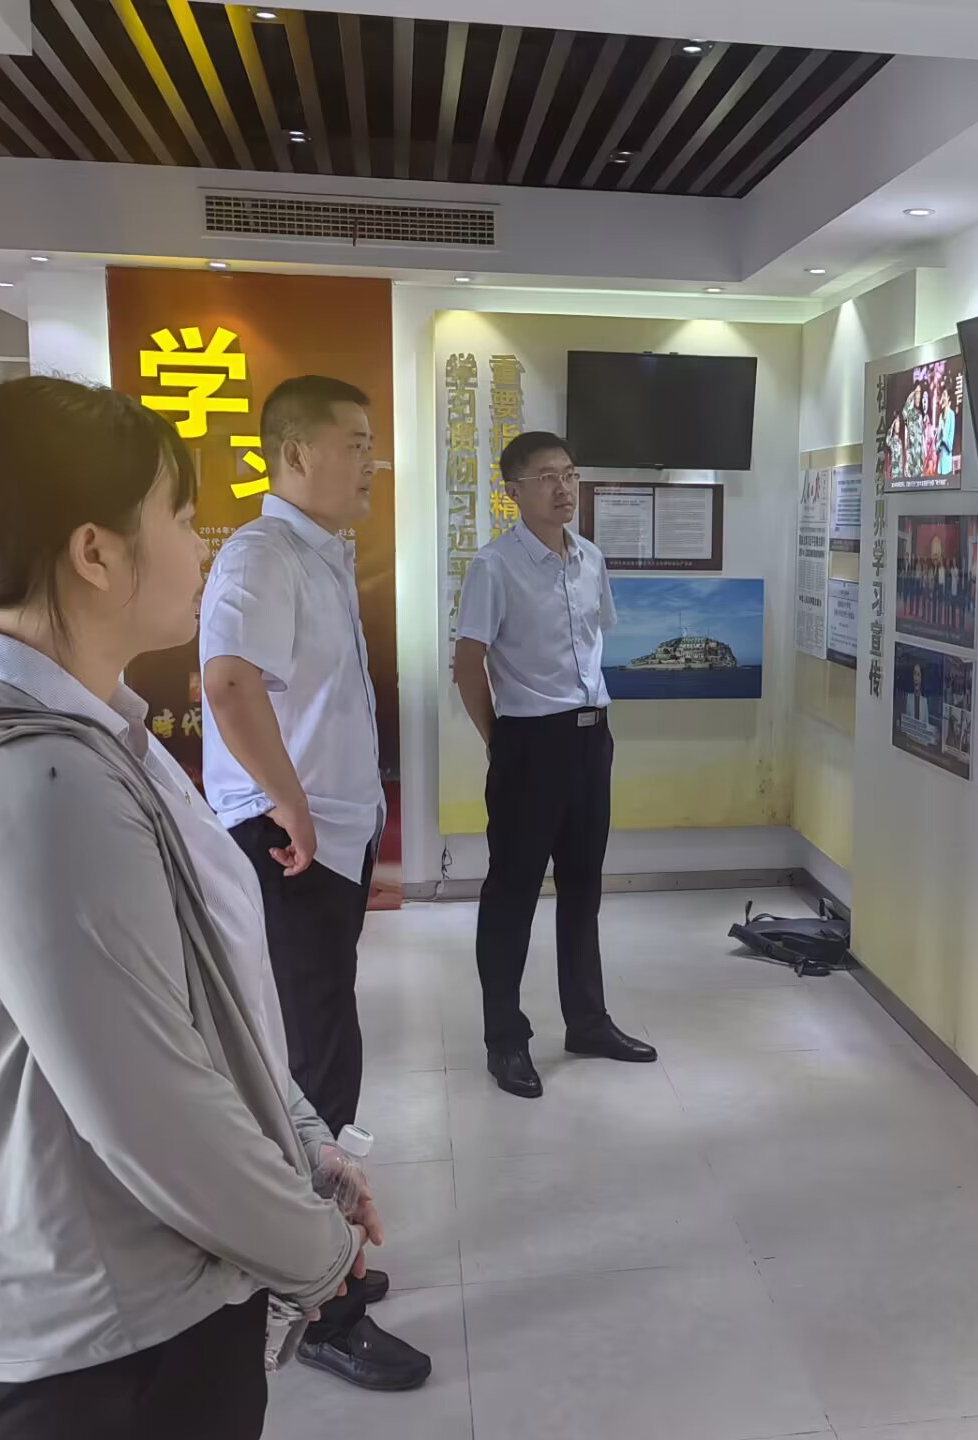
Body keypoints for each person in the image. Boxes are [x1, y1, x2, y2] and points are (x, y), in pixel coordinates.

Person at [0, 378, 374, 1438]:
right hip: (106, 1345)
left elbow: (201, 1001)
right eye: (179, 517)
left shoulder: (89, 738)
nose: (199, 547)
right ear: (95, 554)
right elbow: (154, 1113)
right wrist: (320, 1251)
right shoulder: (37, 789)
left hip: (136, 1305)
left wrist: (306, 1145)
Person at [201, 375, 429, 1391]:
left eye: (373, 443)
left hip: (324, 840)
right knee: (313, 1071)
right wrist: (291, 802)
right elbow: (228, 682)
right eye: (355, 443)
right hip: (285, 846)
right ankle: (320, 1304)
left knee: (322, 1055)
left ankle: (324, 1265)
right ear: (293, 453)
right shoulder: (261, 554)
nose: (371, 461)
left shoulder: (319, 554)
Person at [454, 431, 656, 1100]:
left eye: (569, 474)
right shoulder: (494, 566)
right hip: (528, 743)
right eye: (546, 477)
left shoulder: (590, 558)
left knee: (583, 888)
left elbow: (593, 644)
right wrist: (501, 741)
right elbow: (468, 664)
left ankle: (587, 1021)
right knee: (512, 896)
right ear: (514, 491)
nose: (563, 488)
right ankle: (505, 1040)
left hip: (592, 739)